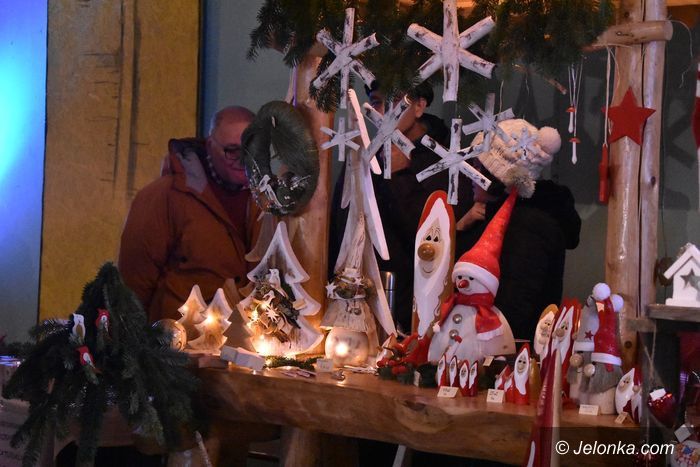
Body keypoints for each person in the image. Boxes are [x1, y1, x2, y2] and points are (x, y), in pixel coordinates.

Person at [330, 82, 481, 334]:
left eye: (396, 101)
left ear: (419, 106)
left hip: (416, 312)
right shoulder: (364, 158)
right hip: (356, 301)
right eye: (377, 102)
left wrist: (400, 177)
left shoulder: (445, 161)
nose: (385, 113)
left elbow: (436, 240)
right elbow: (341, 224)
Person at [118, 106, 261, 322]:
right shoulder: (164, 197)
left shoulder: (268, 199)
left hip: (248, 335)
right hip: (179, 337)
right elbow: (133, 285)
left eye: (251, 149)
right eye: (232, 151)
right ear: (210, 146)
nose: (243, 160)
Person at [461, 118, 581, 341]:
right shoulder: (502, 217)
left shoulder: (527, 225)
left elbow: (513, 306)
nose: (471, 174)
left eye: (478, 167)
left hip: (508, 351)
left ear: (496, 175)